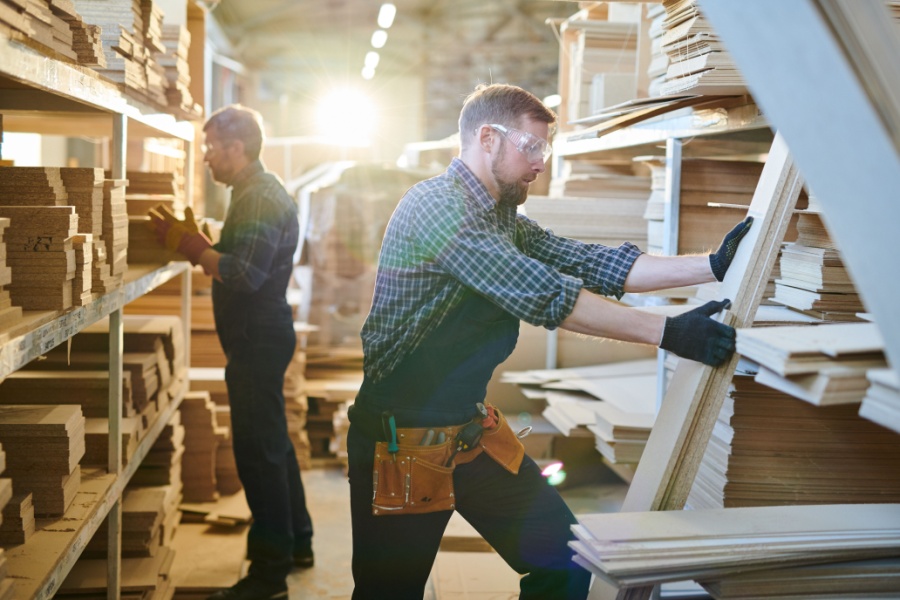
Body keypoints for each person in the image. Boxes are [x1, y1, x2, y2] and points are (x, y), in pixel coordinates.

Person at [345, 83, 753, 600]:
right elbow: (541, 294)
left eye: (546, 149)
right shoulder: (436, 208)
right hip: (402, 440)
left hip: (468, 431)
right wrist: (671, 332)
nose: (541, 163)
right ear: (487, 138)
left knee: (565, 561)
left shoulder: (506, 222)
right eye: (531, 147)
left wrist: (712, 265)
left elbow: (589, 262)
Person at [151, 104, 314, 600]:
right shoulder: (251, 192)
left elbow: (244, 273)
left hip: (257, 340)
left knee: (258, 453)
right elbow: (243, 259)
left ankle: (268, 576)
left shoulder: (261, 196)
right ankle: (298, 543)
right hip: (258, 337)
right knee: (274, 445)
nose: (205, 158)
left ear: (236, 148)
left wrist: (195, 248)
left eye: (211, 148)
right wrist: (199, 241)